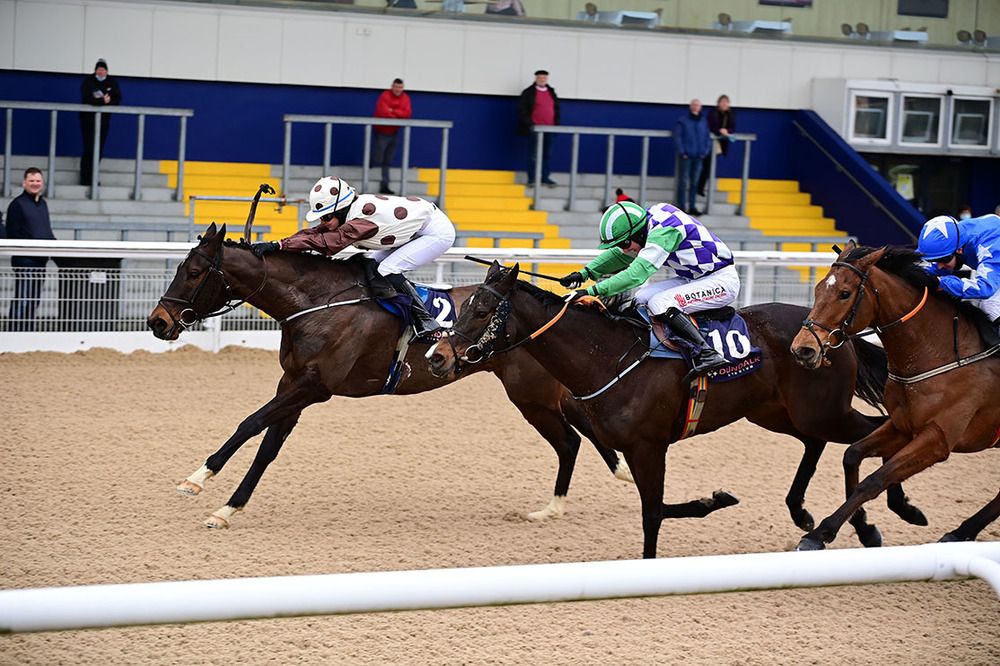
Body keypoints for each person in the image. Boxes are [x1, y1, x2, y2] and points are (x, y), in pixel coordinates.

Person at [250, 176, 456, 337]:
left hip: (435, 232)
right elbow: (315, 233)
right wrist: (278, 244)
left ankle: (426, 319)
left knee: (388, 269)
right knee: (371, 264)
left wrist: (280, 245)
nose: (324, 222)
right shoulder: (348, 212)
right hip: (412, 229)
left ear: (340, 210)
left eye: (326, 217)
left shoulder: (361, 221)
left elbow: (328, 243)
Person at [560, 201, 740, 378]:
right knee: (641, 297)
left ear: (637, 234)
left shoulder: (664, 231)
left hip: (721, 281)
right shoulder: (646, 224)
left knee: (660, 303)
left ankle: (707, 352)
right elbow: (620, 256)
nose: (624, 250)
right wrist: (583, 274)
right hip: (694, 278)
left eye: (624, 244)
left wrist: (591, 291)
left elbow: (635, 275)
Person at [918, 213, 1000, 324]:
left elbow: (984, 288)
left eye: (943, 260)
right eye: (934, 260)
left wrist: (940, 282)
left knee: (991, 307)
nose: (939, 265)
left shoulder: (991, 246)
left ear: (959, 250)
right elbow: (926, 267)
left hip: (994, 261)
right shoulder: (952, 237)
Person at [4, 168, 55, 332]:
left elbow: (46, 231)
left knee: (34, 300)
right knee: (23, 298)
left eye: (38, 181)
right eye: (31, 181)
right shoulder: (17, 204)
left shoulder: (43, 204)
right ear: (24, 183)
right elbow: (12, 232)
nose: (35, 184)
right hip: (25, 259)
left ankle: (28, 332)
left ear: (42, 183)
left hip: (40, 259)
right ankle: (15, 332)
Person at [79, 58, 122, 186]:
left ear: (107, 71)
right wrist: (102, 101)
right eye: (99, 70)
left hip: (103, 121)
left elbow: (117, 99)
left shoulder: (112, 82)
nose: (101, 72)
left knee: (99, 149)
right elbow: (87, 98)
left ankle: (93, 177)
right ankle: (85, 178)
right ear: (95, 70)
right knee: (89, 148)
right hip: (88, 120)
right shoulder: (88, 81)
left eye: (103, 70)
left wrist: (107, 101)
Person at [518, 70, 560, 187]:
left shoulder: (551, 92)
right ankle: (531, 178)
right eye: (540, 77)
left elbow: (556, 108)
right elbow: (522, 110)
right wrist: (530, 124)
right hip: (535, 129)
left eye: (544, 78)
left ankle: (545, 178)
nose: (542, 79)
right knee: (533, 155)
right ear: (536, 78)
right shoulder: (528, 92)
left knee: (547, 154)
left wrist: (556, 123)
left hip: (550, 128)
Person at [371, 78, 412, 195]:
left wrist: (393, 111)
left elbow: (407, 113)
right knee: (379, 156)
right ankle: (370, 164)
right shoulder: (385, 96)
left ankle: (385, 185)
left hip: (394, 131)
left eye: (400, 87)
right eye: (396, 87)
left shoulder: (405, 98)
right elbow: (382, 112)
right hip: (381, 131)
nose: (398, 89)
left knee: (388, 160)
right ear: (392, 86)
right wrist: (397, 114)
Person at [674, 99, 711, 215]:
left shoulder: (703, 121)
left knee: (694, 182)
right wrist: (682, 152)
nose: (695, 107)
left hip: (699, 156)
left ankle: (692, 206)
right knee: (683, 181)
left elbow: (707, 138)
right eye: (694, 105)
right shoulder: (683, 121)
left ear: (700, 107)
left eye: (698, 105)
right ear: (690, 107)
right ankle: (681, 205)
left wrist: (705, 151)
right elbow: (678, 137)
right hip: (686, 156)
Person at [698, 94, 736, 197]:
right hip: (709, 142)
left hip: (720, 143)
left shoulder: (731, 114)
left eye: (726, 102)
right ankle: (699, 187)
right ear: (718, 103)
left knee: (709, 166)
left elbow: (733, 128)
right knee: (707, 166)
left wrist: (727, 131)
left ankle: (700, 186)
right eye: (722, 102)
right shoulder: (712, 113)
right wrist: (720, 131)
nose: (724, 104)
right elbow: (709, 126)